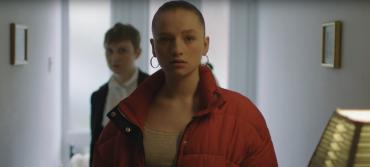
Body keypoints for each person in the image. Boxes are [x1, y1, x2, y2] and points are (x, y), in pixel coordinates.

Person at [93, 1, 278, 167]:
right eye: (165, 39)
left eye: (189, 38)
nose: (177, 49)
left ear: (205, 44)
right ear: (153, 47)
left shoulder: (243, 114)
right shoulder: (126, 115)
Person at [90, 23, 149, 166]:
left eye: (122, 50)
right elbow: (95, 144)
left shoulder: (152, 88)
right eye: (109, 51)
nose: (114, 57)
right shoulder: (98, 96)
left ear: (137, 52)